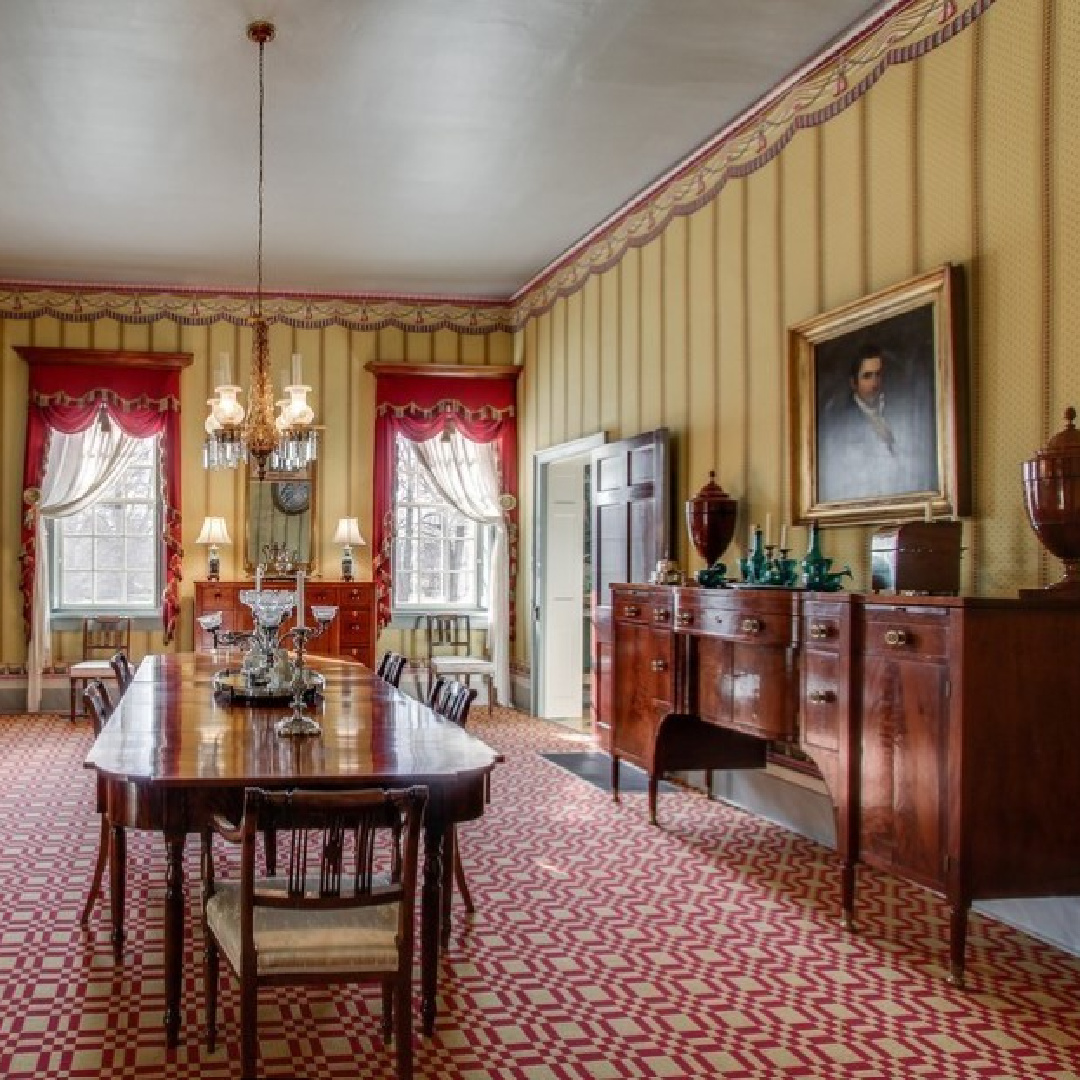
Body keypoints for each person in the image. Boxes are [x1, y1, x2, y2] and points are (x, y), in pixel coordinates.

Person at [816, 343, 937, 503]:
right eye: (867, 376)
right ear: (854, 383)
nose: (874, 383)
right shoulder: (842, 423)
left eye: (878, 375)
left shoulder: (901, 409)